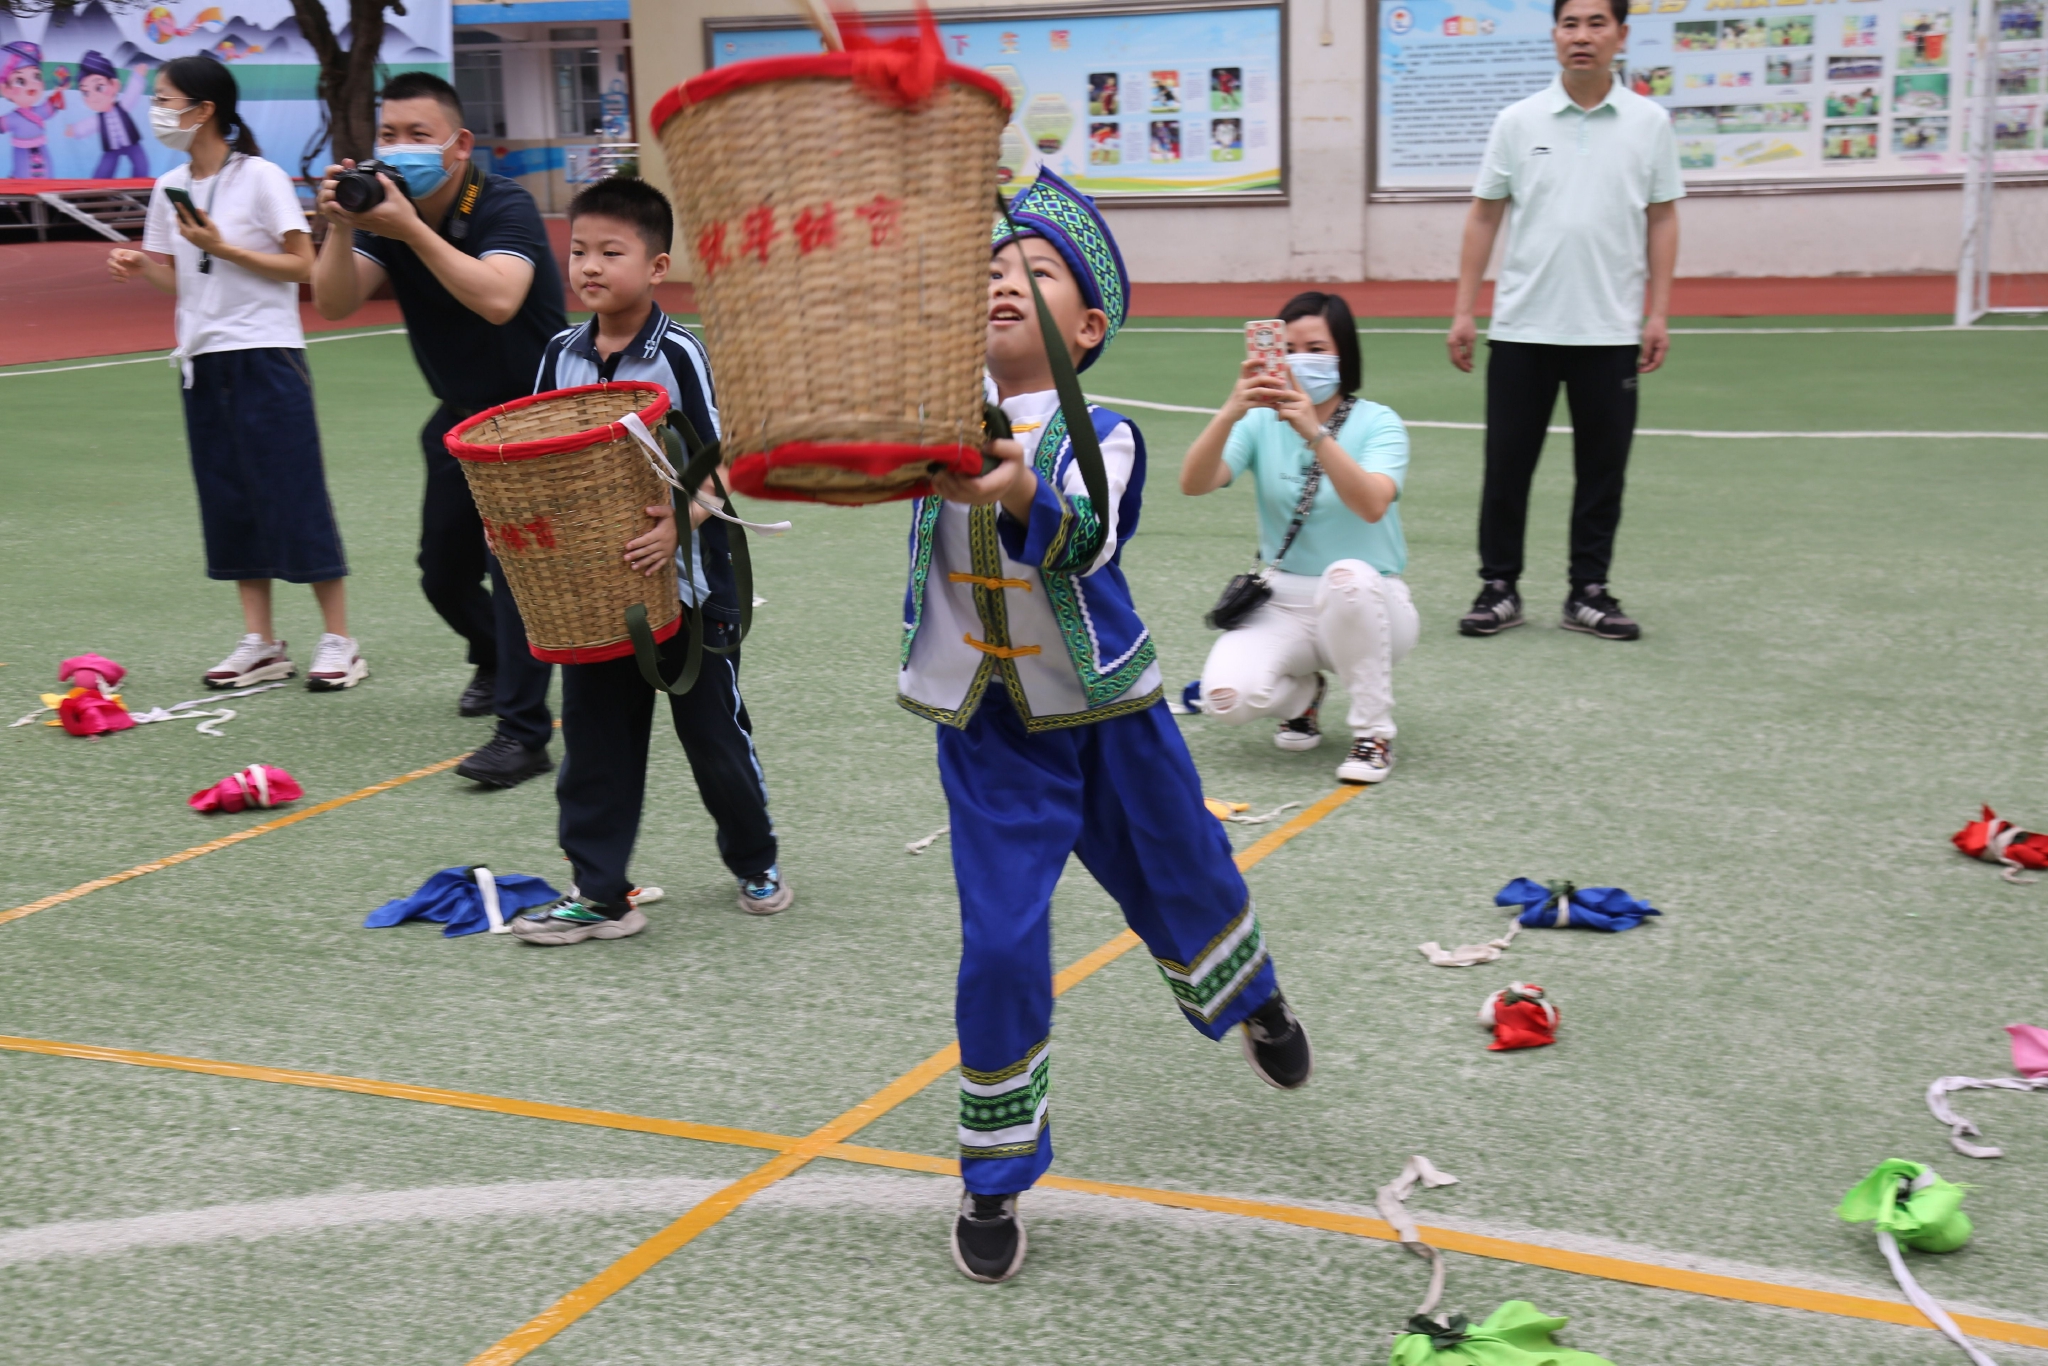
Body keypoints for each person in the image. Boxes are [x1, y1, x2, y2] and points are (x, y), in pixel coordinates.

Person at [901, 169, 1313, 1285]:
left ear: (1083, 329)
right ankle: (992, 1174)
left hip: (1110, 714)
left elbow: (1085, 532)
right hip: (988, 728)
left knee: (1186, 876)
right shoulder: (928, 413)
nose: (1002, 284)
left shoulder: (1106, 428)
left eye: (1033, 274)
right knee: (996, 943)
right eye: (990, 270)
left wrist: (1015, 489)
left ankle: (1253, 998)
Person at [505, 176, 789, 944]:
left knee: (715, 741)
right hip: (597, 597)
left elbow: (725, 459)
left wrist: (682, 526)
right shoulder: (559, 354)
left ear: (657, 266)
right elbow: (530, 459)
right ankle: (600, 893)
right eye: (579, 251)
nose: (590, 266)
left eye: (611, 252)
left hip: (690, 595)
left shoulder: (681, 355)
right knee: (594, 744)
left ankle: (755, 858)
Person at [310, 70, 566, 784]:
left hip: (537, 416)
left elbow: (498, 299)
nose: (399, 148)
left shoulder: (503, 204)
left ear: (458, 146)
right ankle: (492, 656)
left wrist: (409, 229)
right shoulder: (387, 215)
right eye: (388, 136)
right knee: (441, 573)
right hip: (461, 421)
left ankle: (524, 734)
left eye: (417, 136)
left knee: (516, 573)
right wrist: (338, 224)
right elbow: (331, 303)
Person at [108, 55, 364, 692]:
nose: (157, 110)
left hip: (267, 355)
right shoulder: (170, 185)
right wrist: (143, 268)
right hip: (202, 362)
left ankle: (340, 640)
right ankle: (262, 643)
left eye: (166, 98)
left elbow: (301, 264)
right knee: (230, 500)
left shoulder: (262, 177)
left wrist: (224, 247)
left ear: (204, 109)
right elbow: (179, 277)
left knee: (293, 492)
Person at [1446, 0, 1682, 642]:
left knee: (1603, 469)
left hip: (1609, 333)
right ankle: (1499, 586)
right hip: (1523, 328)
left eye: (1596, 24)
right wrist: (1465, 309)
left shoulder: (1649, 122)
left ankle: (1589, 591)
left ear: (1621, 35)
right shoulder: (1518, 121)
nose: (1582, 37)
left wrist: (1657, 312)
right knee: (1507, 466)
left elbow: (1662, 217)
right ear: (1555, 35)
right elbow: (1484, 215)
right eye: (1571, 24)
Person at [1180, 291, 1416, 785]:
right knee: (1224, 698)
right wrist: (1230, 411)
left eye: (1315, 347)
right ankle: (1303, 697)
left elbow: (1372, 504)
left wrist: (1316, 435)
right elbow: (1194, 483)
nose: (1300, 360)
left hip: (1371, 602)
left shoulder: (1380, 422)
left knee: (1347, 575)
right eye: (1288, 348)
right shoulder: (1261, 421)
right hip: (1284, 601)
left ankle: (1373, 732)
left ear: (1343, 354)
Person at [66, 52, 150, 180]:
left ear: (114, 85)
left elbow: (132, 93)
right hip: (112, 147)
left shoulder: (123, 106)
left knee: (141, 165)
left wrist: (137, 76)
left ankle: (139, 185)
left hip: (132, 143)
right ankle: (96, 189)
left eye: (99, 87)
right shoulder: (100, 119)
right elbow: (89, 125)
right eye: (85, 92)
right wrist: (76, 129)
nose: (93, 97)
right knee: (105, 169)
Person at [2, 41, 66, 179]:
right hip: (22, 153)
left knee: (47, 175)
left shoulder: (39, 111)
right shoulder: (13, 118)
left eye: (36, 76)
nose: (31, 85)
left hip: (41, 150)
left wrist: (60, 89)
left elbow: (52, 105)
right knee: (23, 176)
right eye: (20, 81)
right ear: (5, 89)